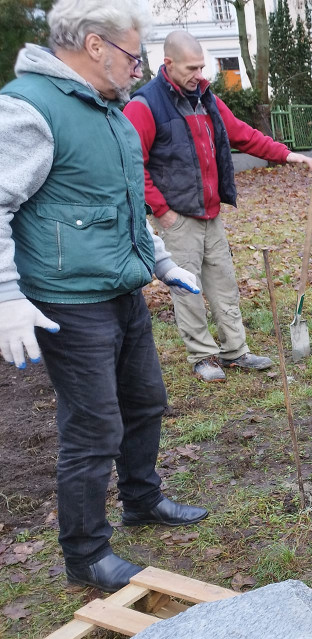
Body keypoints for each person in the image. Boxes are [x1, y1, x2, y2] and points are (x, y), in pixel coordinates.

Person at [0, 0, 209, 592]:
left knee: (144, 402)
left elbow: (121, 205)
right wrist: (6, 297)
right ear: (95, 45)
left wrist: (162, 263)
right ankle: (86, 554)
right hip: (67, 302)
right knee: (92, 428)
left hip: (120, 290)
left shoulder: (111, 112)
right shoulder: (28, 109)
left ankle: (142, 499)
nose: (139, 68)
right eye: (132, 55)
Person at [124, 30, 312, 383]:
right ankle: (203, 356)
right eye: (191, 68)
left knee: (224, 284)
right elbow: (132, 166)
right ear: (168, 64)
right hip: (176, 218)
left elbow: (242, 133)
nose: (199, 74)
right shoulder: (144, 105)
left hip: (211, 213)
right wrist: (161, 211)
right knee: (187, 288)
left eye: (202, 66)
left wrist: (287, 155)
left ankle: (235, 351)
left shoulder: (206, 98)